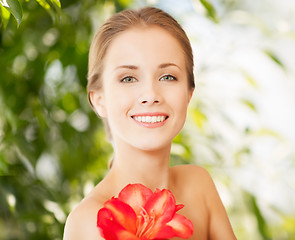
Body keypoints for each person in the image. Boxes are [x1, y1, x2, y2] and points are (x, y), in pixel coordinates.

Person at [63, 6, 236, 240]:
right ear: (99, 99)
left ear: (188, 94)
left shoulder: (199, 184)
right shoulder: (88, 221)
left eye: (168, 77)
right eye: (128, 78)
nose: (150, 94)